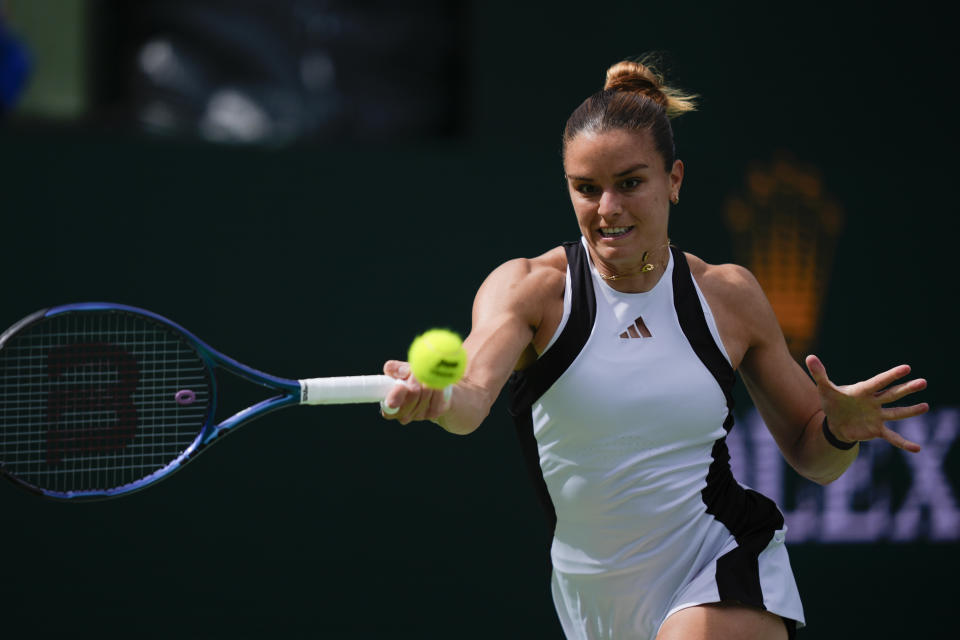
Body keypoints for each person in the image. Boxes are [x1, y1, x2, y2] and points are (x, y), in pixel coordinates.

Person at [379, 58, 929, 640]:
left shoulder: (728, 297)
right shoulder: (532, 290)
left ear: (674, 180)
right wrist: (437, 399)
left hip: (718, 561)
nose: (607, 209)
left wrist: (839, 429)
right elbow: (470, 397)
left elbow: (815, 457)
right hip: (590, 597)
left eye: (631, 183)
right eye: (586, 189)